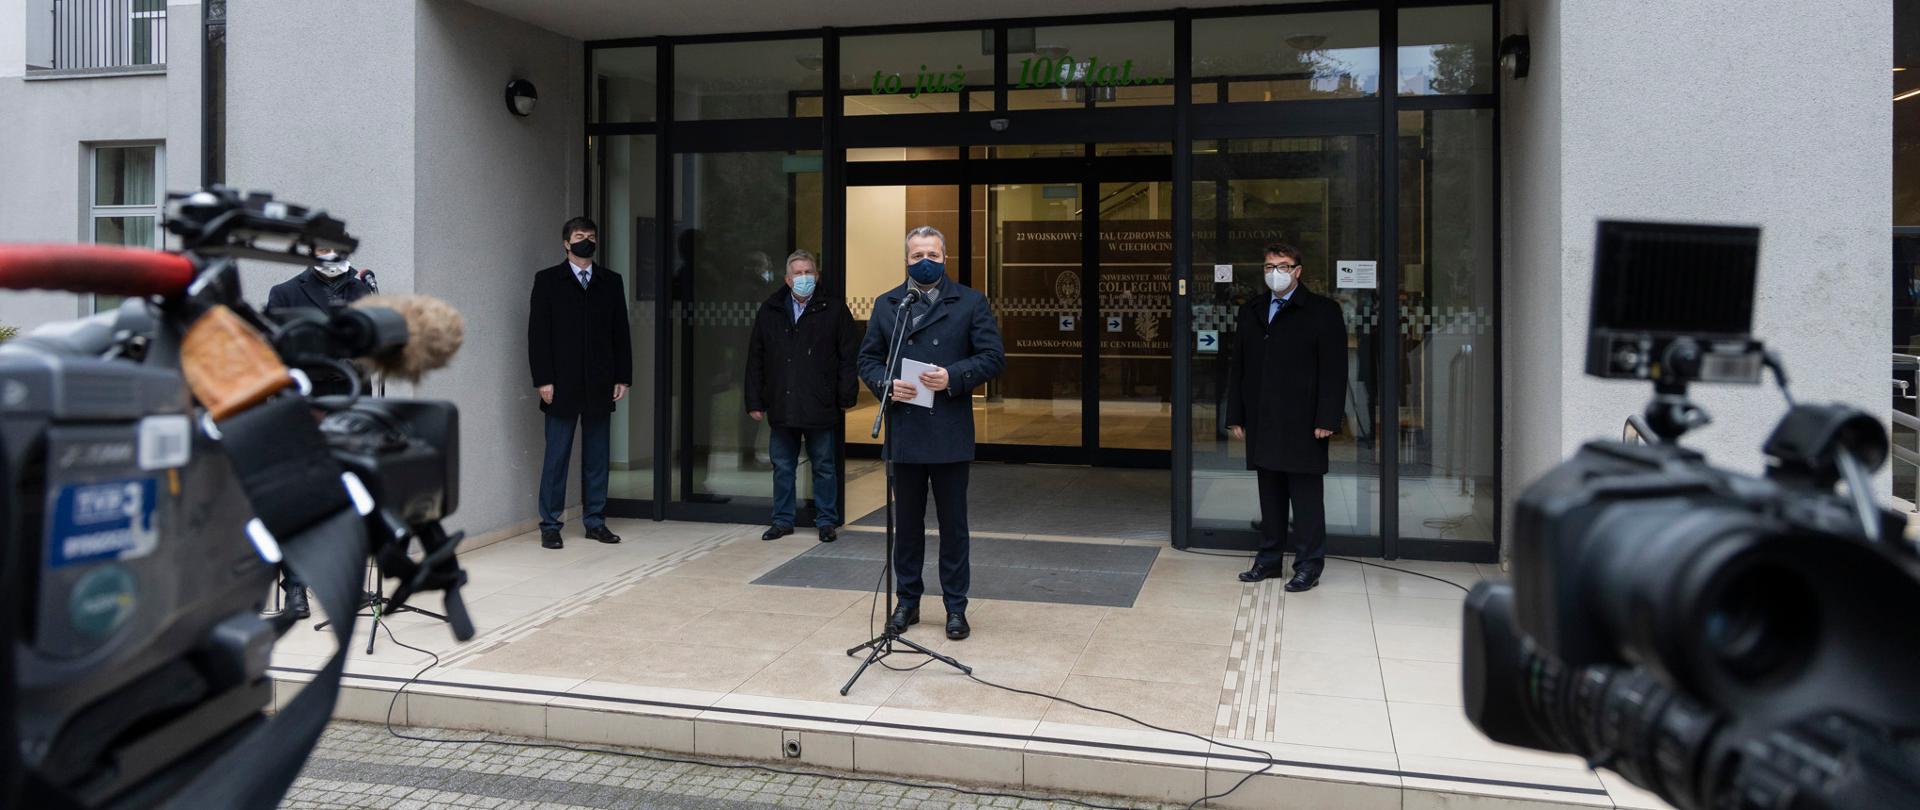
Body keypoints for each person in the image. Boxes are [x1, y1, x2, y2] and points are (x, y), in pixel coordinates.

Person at [858, 226, 1005, 641]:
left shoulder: (970, 302)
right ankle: (907, 602)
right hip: (905, 433)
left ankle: (956, 607)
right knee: (907, 526)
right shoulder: (889, 304)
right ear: (907, 259)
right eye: (918, 254)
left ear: (945, 258)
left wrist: (953, 376)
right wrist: (887, 385)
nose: (925, 261)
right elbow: (868, 359)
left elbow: (993, 356)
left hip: (949, 432)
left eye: (933, 255)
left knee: (953, 526)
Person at [1224, 243, 1349, 593]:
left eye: (1282, 265)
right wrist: (1235, 414)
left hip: (1304, 420)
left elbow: (1334, 370)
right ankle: (1268, 560)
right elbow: (1239, 366)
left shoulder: (1323, 311)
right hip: (1263, 418)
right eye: (1268, 266)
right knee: (1271, 495)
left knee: (1306, 497)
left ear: (1298, 271)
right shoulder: (1251, 310)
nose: (1274, 272)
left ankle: (1309, 565)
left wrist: (1328, 417)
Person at [260, 247, 375, 619]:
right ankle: (295, 585)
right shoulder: (285, 293)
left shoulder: (363, 290)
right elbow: (278, 354)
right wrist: (330, 360)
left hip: (351, 403)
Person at [528, 216, 633, 550]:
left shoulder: (610, 281)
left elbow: (620, 331)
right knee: (557, 457)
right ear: (566, 243)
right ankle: (550, 524)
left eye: (590, 235)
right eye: (578, 235)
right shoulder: (548, 280)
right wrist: (543, 379)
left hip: (600, 382)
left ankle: (595, 521)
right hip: (561, 383)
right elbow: (538, 334)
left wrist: (623, 376)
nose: (585, 240)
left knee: (597, 458)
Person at [746, 249, 858, 543]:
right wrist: (754, 400)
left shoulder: (834, 310)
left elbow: (849, 357)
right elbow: (756, 357)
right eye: (798, 273)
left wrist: (846, 396)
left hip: (820, 402)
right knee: (783, 466)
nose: (803, 277)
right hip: (782, 402)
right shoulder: (770, 310)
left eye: (808, 272)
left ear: (817, 276)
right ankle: (782, 520)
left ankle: (826, 521)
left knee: (824, 466)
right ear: (787, 279)